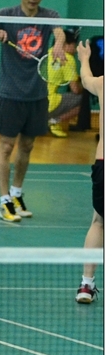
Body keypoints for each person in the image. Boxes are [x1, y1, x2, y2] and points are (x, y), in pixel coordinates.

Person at [0, 0, 65, 222]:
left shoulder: (49, 15)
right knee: (6, 146)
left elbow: (59, 31)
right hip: (11, 94)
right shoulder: (7, 14)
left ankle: (16, 194)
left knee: (27, 146)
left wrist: (58, 43)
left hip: (37, 94)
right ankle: (4, 202)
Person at [75, 40, 104, 303]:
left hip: (104, 163)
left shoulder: (104, 83)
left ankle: (86, 285)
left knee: (99, 222)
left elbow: (85, 80)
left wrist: (84, 58)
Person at [48, 29, 83, 138]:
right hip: (49, 104)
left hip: (35, 104)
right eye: (74, 45)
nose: (75, 50)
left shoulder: (47, 53)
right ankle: (54, 121)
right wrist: (85, 86)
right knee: (83, 99)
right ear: (65, 44)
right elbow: (75, 89)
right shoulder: (67, 58)